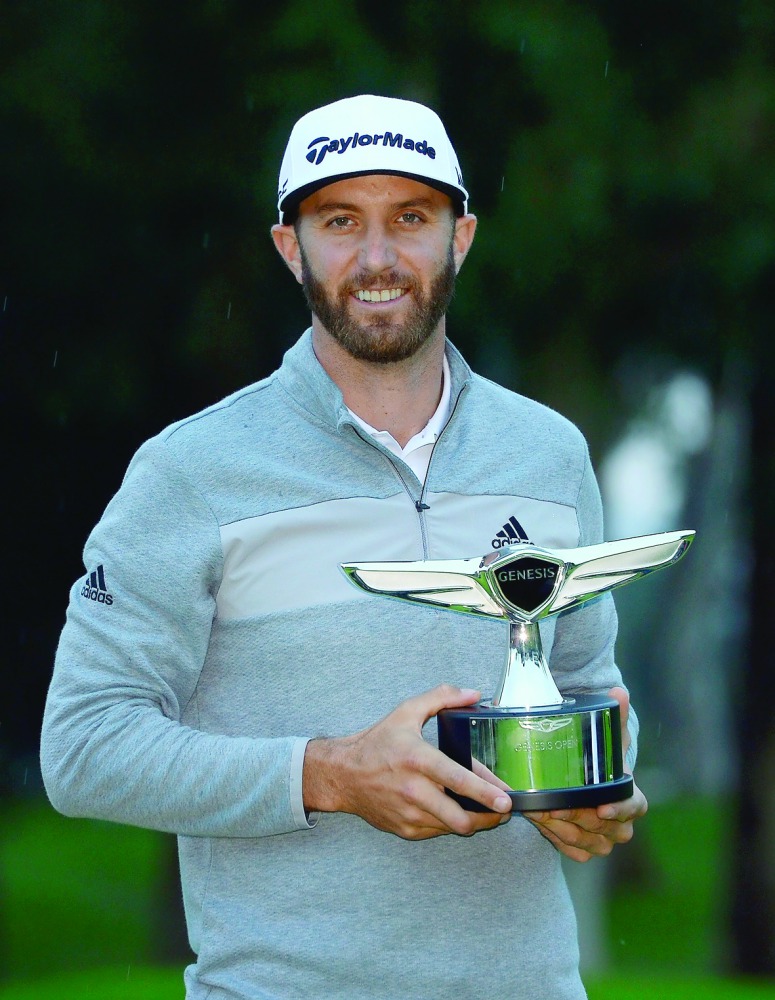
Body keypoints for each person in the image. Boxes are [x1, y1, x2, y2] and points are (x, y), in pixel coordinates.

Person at [41, 94, 647, 999]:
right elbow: (84, 748)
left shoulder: (549, 454)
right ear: (290, 248)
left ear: (460, 237)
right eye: (338, 221)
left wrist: (600, 787)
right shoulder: (190, 471)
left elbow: (590, 687)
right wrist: (327, 776)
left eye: (409, 218)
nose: (375, 258)